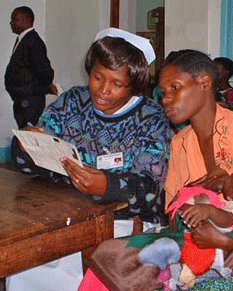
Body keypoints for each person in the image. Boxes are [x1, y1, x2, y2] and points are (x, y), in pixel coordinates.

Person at [78, 50, 233, 290]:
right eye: (163, 92)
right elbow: (173, 213)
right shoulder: (180, 143)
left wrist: (231, 241)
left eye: (175, 88)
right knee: (111, 255)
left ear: (205, 83)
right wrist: (200, 193)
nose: (165, 99)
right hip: (198, 246)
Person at [8, 27, 172, 291]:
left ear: (134, 86)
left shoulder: (151, 119)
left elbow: (150, 191)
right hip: (63, 214)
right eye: (97, 77)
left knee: (76, 275)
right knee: (25, 266)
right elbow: (29, 162)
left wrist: (107, 185)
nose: (103, 90)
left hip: (124, 224)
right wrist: (27, 146)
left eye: (117, 84)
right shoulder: (73, 101)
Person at [5, 6, 58, 129]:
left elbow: (44, 72)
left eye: (14, 19)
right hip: (23, 100)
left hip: (30, 102)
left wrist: (38, 88)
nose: (11, 23)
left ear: (26, 20)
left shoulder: (33, 41)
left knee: (30, 137)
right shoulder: (24, 40)